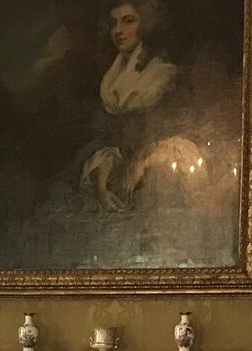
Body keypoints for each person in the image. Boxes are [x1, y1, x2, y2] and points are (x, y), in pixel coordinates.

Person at [80, 1, 203, 213]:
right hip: (123, 177)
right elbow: (112, 143)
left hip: (164, 175)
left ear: (145, 23)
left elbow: (181, 140)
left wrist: (142, 165)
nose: (118, 31)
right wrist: (102, 183)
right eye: (113, 23)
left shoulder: (164, 75)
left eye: (128, 21)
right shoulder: (111, 80)